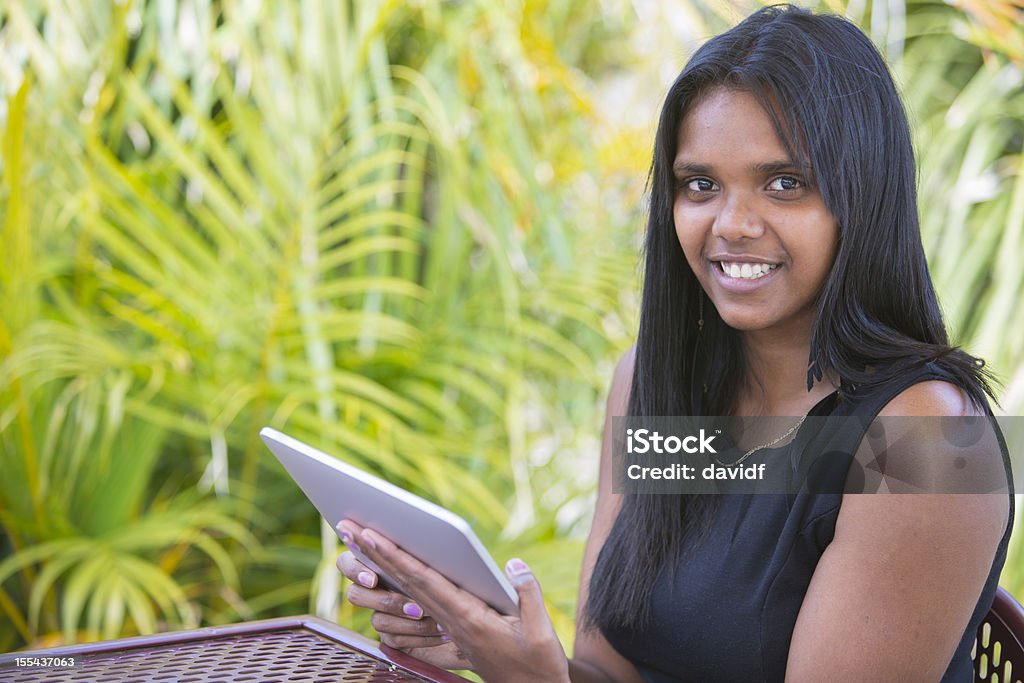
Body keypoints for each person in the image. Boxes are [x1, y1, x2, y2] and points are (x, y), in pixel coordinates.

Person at [335, 5, 1014, 680]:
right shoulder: (654, 384)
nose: (732, 224)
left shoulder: (927, 443)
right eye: (700, 185)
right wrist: (481, 640)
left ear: (863, 196)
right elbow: (611, 669)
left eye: (785, 183)